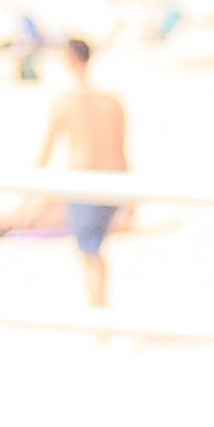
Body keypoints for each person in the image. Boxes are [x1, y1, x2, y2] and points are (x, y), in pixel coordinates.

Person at [37, 35, 130, 310]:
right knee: (94, 248)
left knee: (90, 253)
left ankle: (99, 312)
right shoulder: (112, 101)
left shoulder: (65, 102)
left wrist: (29, 191)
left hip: (84, 182)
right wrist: (130, 198)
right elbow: (122, 153)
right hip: (113, 182)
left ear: (69, 59)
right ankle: (100, 309)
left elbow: (45, 153)